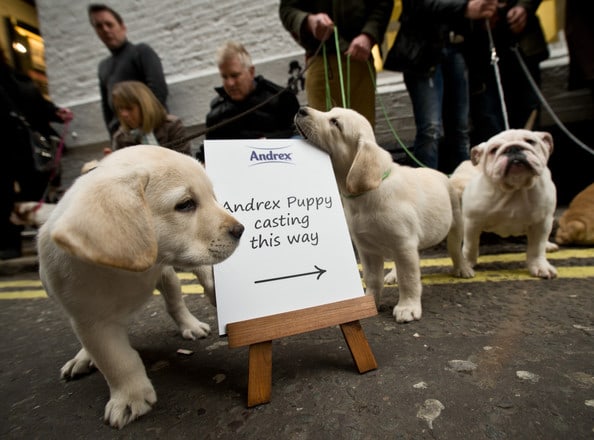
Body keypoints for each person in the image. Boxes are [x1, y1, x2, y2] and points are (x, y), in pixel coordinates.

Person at [383, 0, 497, 173]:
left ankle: (464, 190)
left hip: (459, 47)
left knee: (461, 129)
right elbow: (418, 5)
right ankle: (426, 193)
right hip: (423, 51)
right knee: (430, 130)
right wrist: (465, 7)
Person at [0, 52, 73, 259]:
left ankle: (45, 242)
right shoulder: (14, 77)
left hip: (23, 149)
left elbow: (34, 104)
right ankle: (11, 244)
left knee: (32, 194)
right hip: (11, 148)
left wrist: (55, 112)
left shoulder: (13, 77)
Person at [279, 0, 393, 128]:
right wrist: (309, 21)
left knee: (361, 135)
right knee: (322, 136)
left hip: (360, 60)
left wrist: (369, 34)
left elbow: (383, 4)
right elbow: (287, 10)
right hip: (320, 61)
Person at [466, 0, 549, 144]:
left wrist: (524, 6)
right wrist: (471, 11)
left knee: (529, 124)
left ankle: (529, 164)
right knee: (490, 124)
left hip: (522, 44)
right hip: (478, 51)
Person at [88, 3, 168, 137]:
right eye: (99, 26)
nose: (106, 30)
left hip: (152, 132)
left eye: (109, 24)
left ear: (122, 27)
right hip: (124, 138)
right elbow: (107, 110)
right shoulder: (103, 66)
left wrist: (144, 126)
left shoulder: (141, 52)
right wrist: (115, 135)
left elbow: (159, 91)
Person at [204, 41, 300, 143]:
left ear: (251, 72)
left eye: (235, 75)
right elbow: (208, 153)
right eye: (224, 77)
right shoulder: (216, 115)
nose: (230, 83)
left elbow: (300, 136)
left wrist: (269, 141)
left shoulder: (282, 99)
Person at [109, 81, 190, 155]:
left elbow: (185, 162)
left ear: (145, 106)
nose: (124, 114)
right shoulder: (120, 138)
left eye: (129, 108)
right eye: (120, 108)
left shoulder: (172, 126)